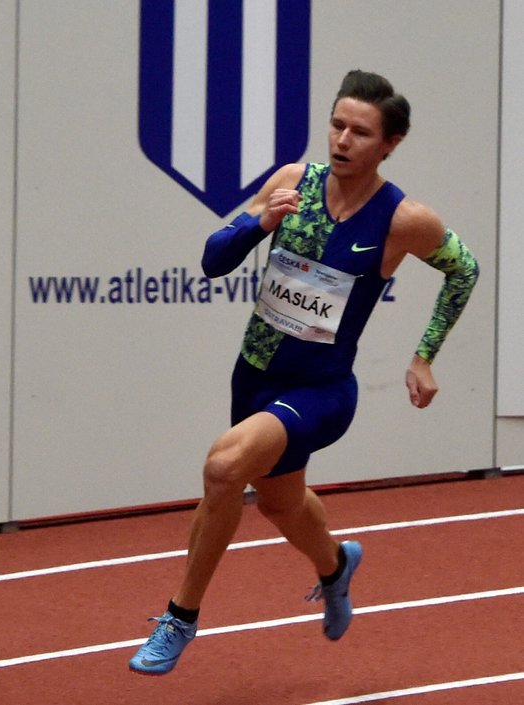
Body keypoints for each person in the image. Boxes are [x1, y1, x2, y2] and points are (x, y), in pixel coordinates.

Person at [129, 69, 478, 676]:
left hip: (321, 390)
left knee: (223, 467)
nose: (342, 140)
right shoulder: (293, 182)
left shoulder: (403, 219)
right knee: (280, 504)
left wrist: (424, 354)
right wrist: (259, 223)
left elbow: (464, 270)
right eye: (337, 125)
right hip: (254, 375)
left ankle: (180, 617)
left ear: (389, 143)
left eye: (360, 132)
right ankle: (336, 567)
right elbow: (213, 260)